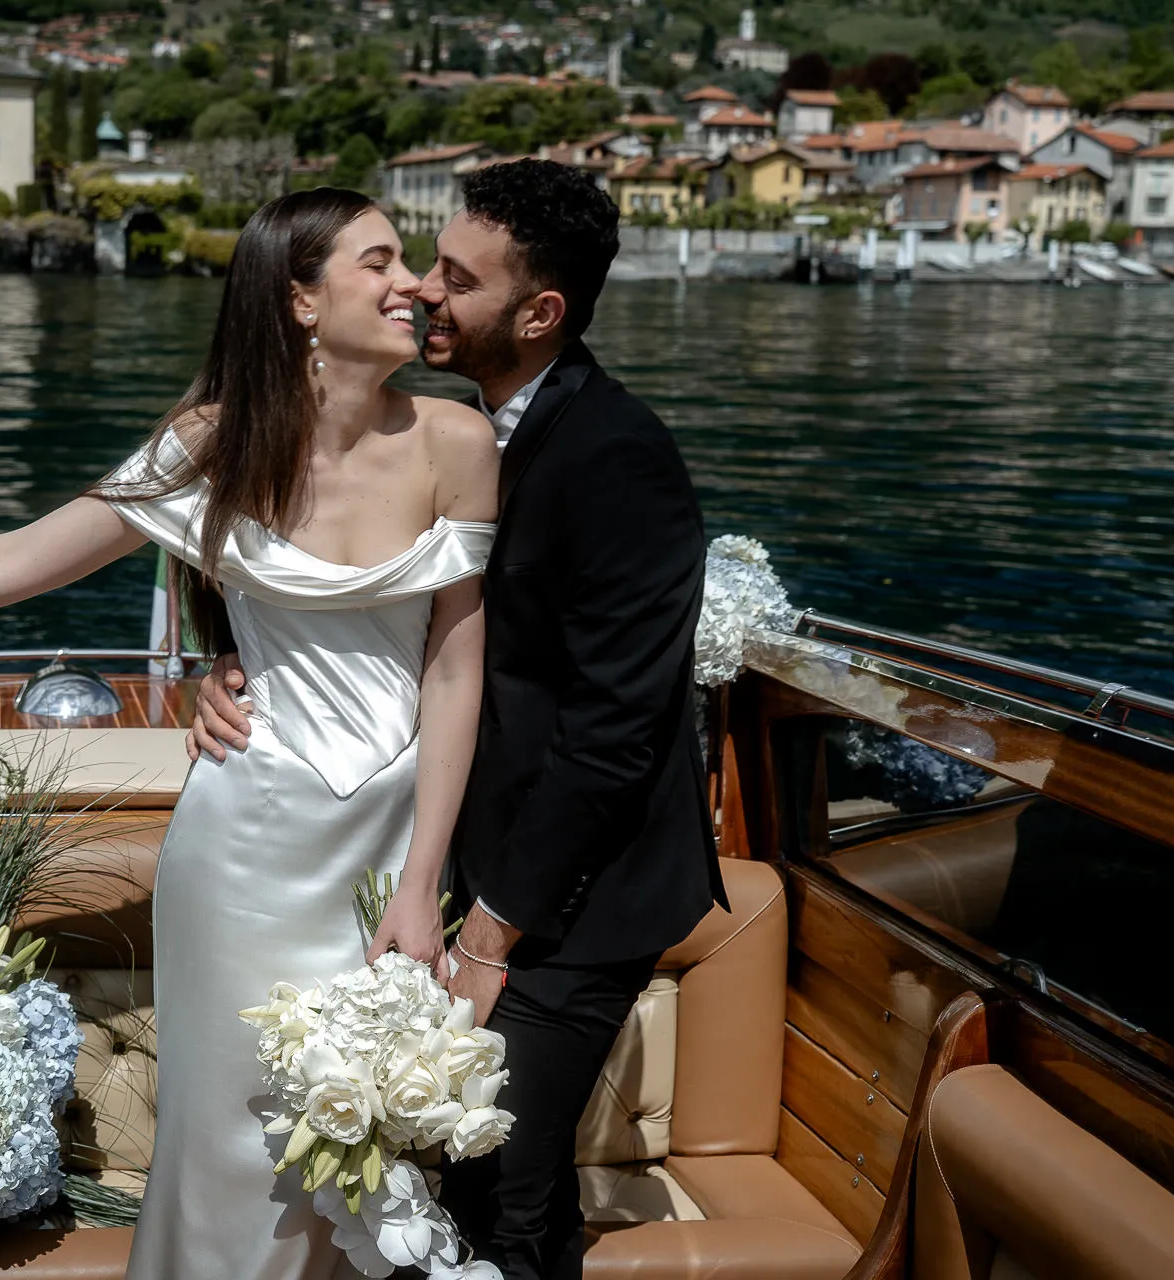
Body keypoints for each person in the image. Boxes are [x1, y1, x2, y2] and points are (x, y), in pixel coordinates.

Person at [0, 188, 501, 1280]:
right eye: (381, 261)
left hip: (393, 848)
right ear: (300, 299)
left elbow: (455, 670)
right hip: (245, 845)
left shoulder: (457, 440)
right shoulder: (214, 442)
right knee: (229, 1146)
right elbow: (13, 561)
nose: (412, 285)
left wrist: (422, 881)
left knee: (377, 1154)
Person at [189, 160, 728, 1280]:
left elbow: (615, 732)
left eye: (458, 277)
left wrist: (490, 935)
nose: (426, 289)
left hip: (578, 900)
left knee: (499, 1198)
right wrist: (236, 661)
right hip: (479, 868)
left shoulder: (618, 455)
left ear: (540, 314)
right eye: (425, 262)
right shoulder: (467, 429)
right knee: (480, 1188)